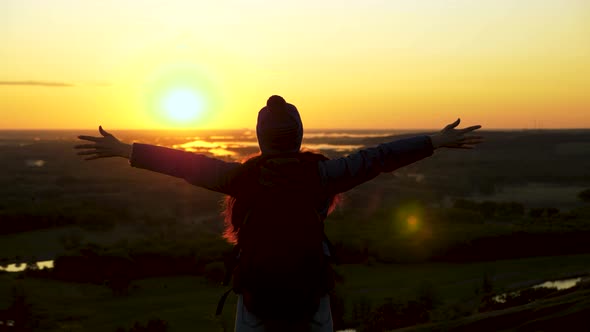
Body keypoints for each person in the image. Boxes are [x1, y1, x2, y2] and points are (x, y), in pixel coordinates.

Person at [76, 95, 482, 331]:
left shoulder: (242, 179)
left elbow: (184, 164)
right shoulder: (323, 176)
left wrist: (127, 150)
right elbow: (379, 158)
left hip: (256, 296)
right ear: (298, 136)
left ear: (261, 139)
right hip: (311, 295)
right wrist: (434, 141)